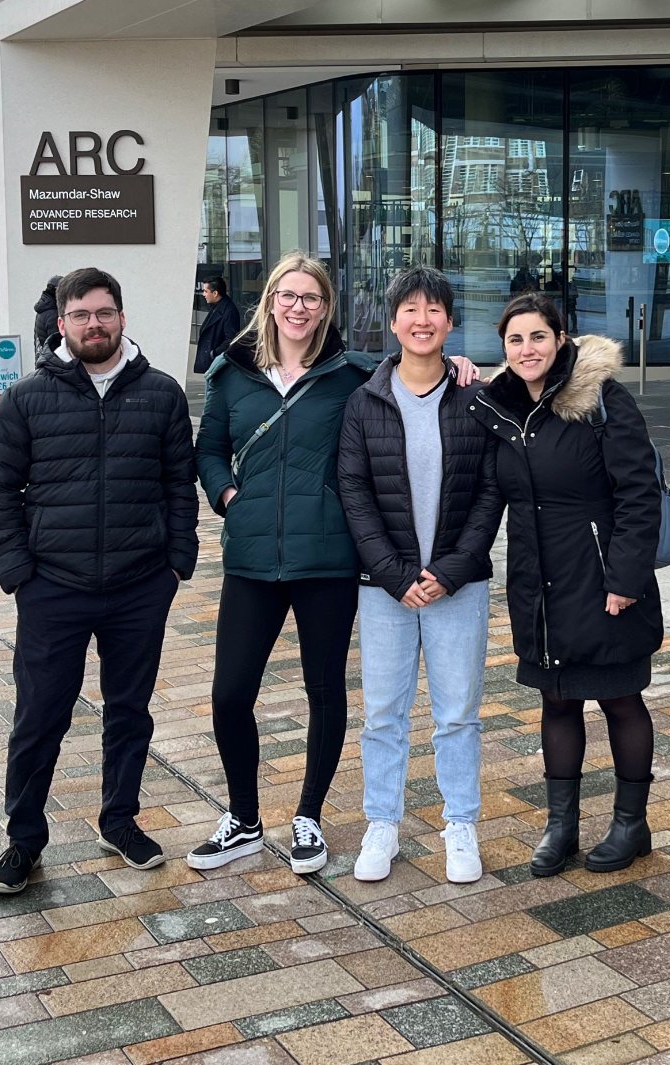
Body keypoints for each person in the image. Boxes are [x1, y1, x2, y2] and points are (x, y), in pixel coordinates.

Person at [189, 251, 479, 876]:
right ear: (270, 301)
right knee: (230, 691)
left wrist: (456, 363)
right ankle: (241, 817)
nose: (299, 307)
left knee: (326, 690)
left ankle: (309, 819)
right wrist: (227, 496)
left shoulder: (351, 374)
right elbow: (209, 449)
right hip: (251, 556)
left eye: (312, 298)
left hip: (328, 558)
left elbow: (411, 371)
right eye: (288, 295)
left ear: (326, 309)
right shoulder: (231, 373)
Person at [0, 267, 198, 894]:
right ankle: (23, 841)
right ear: (62, 322)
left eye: (104, 313)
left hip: (139, 585)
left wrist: (175, 563)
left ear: (122, 318)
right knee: (39, 717)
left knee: (129, 711)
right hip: (54, 587)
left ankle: (119, 820)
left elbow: (177, 486)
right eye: (80, 315)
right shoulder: (26, 397)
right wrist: (19, 573)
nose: (93, 325)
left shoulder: (161, 394)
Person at [470, 292, 663, 878]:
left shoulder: (601, 399)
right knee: (557, 701)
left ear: (561, 340)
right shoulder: (500, 408)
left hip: (603, 579)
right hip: (540, 583)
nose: (527, 349)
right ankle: (562, 828)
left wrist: (626, 576)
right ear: (503, 348)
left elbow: (639, 492)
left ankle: (631, 824)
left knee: (620, 699)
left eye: (537, 337)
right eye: (514, 340)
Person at [337, 266, 502, 884]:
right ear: (393, 321)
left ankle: (461, 825)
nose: (423, 320)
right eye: (411, 309)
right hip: (385, 590)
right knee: (383, 711)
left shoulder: (474, 397)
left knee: (458, 712)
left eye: (434, 310)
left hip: (458, 586)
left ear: (451, 323)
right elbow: (354, 491)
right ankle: (383, 823)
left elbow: (492, 491)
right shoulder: (365, 400)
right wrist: (392, 572)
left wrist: (450, 571)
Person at [193, 276, 242, 374]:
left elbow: (231, 339)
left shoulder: (228, 311)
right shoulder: (216, 307)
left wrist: (214, 353)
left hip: (219, 365)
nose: (203, 294)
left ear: (215, 293)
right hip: (213, 363)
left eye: (206, 291)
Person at [32, 274, 62, 350]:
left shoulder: (44, 307)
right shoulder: (53, 312)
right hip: (52, 359)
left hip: (43, 357)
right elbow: (56, 345)